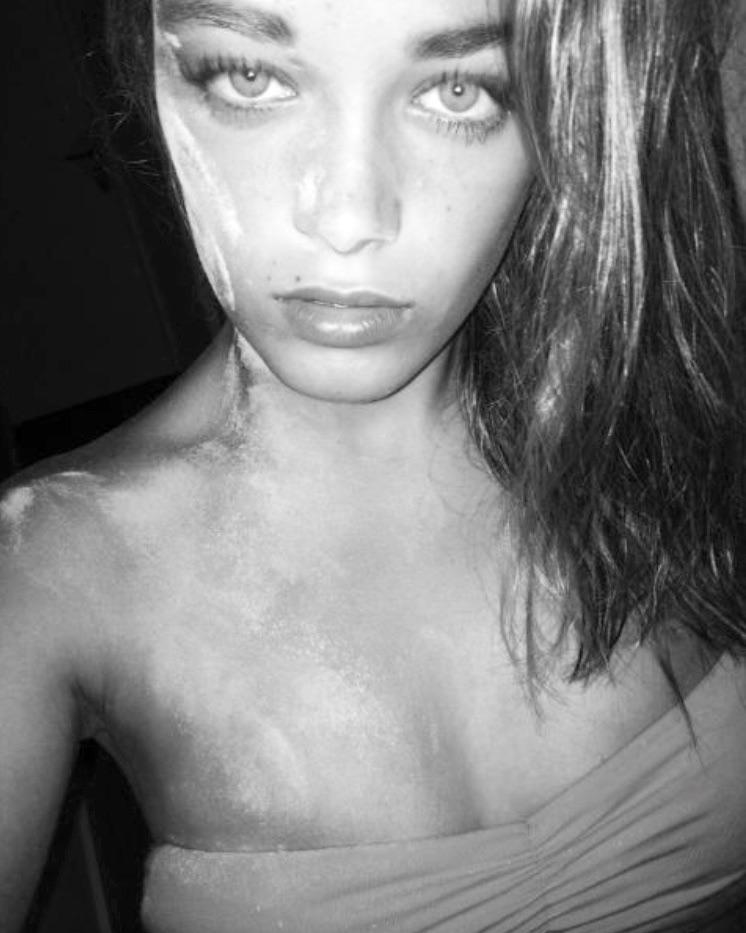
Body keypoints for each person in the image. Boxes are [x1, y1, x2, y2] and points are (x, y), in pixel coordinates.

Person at [2, 0, 746, 930]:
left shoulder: (693, 401)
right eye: (249, 77)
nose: (348, 217)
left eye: (459, 90)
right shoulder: (44, 572)